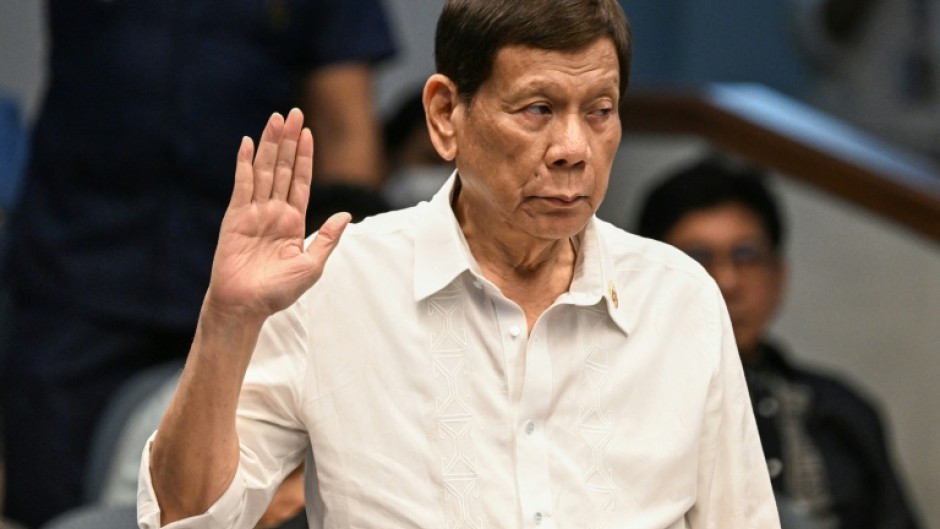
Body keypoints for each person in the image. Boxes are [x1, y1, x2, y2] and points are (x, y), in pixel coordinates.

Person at [139, 1, 781, 527]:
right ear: (446, 115)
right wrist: (227, 321)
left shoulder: (679, 300)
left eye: (599, 111)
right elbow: (187, 518)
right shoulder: (335, 284)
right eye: (538, 110)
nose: (574, 149)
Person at [0, 1, 396, 527]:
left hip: (246, 277)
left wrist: (349, 289)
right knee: (51, 505)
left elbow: (345, 125)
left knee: (239, 505)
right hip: (74, 272)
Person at [635, 157, 923, 529]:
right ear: (644, 276)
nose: (727, 282)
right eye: (697, 258)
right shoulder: (606, 400)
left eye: (746, 256)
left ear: (778, 278)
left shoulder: (841, 412)